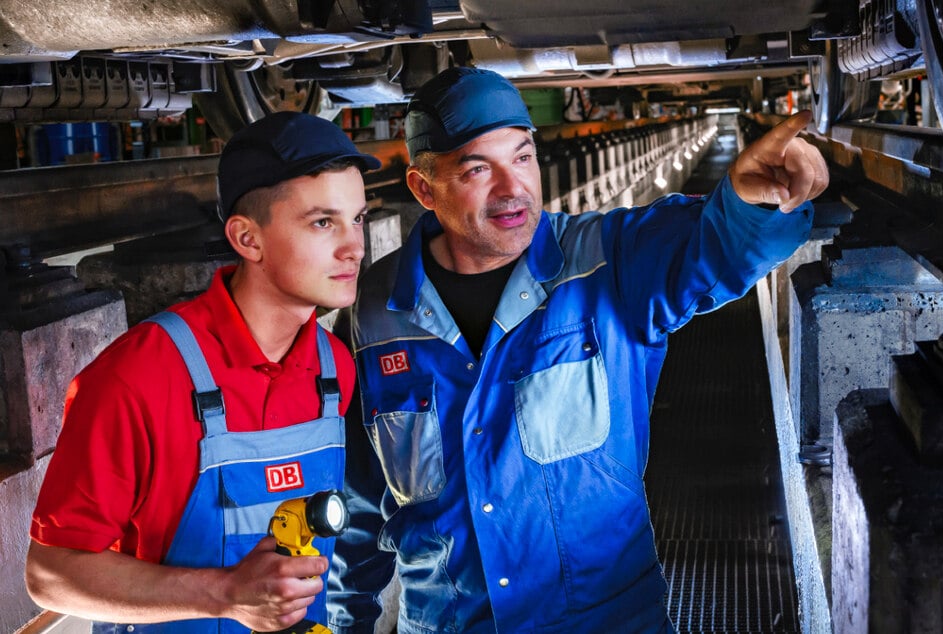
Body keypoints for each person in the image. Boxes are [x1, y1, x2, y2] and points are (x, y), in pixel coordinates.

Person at [326, 67, 828, 633]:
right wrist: (346, 622)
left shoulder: (604, 260)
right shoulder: (373, 311)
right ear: (423, 189)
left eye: (521, 157)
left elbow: (714, 251)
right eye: (476, 169)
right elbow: (360, 500)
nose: (512, 188)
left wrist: (753, 203)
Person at [25, 111, 381, 633]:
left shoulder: (334, 369)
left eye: (359, 219)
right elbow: (50, 574)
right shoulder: (138, 377)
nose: (354, 246)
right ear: (247, 239)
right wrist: (226, 595)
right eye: (322, 222)